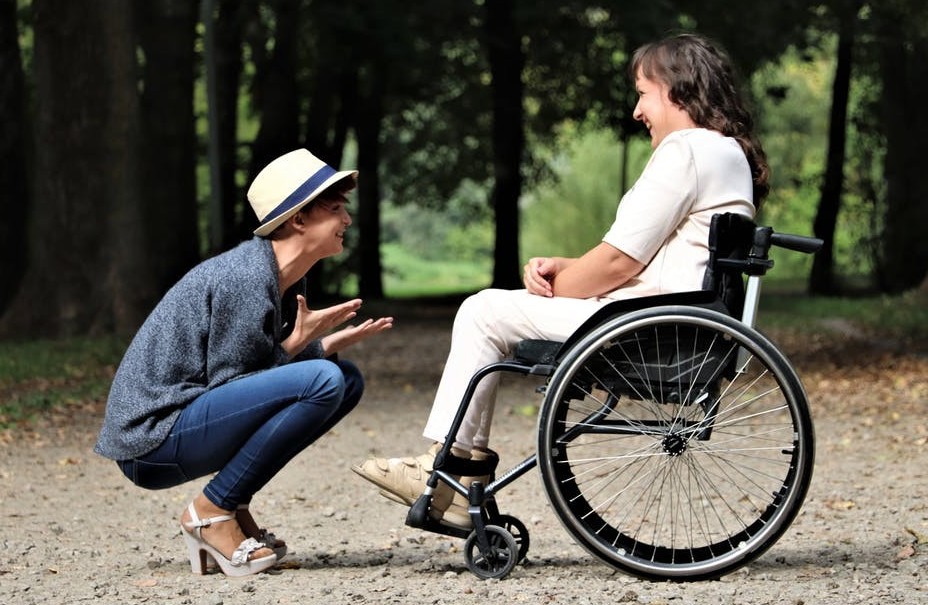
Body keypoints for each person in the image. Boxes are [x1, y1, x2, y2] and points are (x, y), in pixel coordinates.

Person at [352, 32, 769, 529]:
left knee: (484, 311)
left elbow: (618, 265)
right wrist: (565, 267)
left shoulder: (688, 150)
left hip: (648, 326)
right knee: (493, 309)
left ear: (677, 89)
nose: (637, 111)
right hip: (676, 318)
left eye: (642, 93)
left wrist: (555, 286)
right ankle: (456, 471)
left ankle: (451, 475)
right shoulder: (726, 154)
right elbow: (649, 260)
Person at [94, 149, 393, 577]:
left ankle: (229, 503)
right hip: (151, 439)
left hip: (187, 421)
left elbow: (252, 380)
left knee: (345, 379)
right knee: (326, 379)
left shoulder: (280, 276)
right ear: (299, 219)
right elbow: (234, 384)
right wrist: (299, 345)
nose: (346, 220)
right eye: (335, 209)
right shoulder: (246, 278)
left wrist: (318, 346)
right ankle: (210, 512)